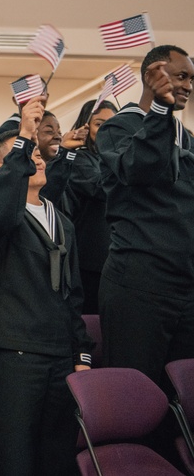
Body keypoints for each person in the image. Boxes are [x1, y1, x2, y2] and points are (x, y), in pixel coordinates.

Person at [0, 98, 92, 476]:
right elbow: (0, 211)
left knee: (55, 456)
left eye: (38, 154)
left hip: (59, 354)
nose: (36, 158)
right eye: (24, 155)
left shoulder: (62, 219)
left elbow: (73, 295)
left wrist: (80, 353)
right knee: (13, 458)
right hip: (16, 354)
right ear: (1, 169)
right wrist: (25, 134)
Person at [96, 45, 194, 388]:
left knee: (181, 394)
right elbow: (142, 167)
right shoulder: (117, 128)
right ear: (153, 76)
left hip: (185, 283)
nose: (188, 86)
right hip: (139, 281)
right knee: (135, 391)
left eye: (191, 79)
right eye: (181, 76)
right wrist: (159, 109)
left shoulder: (186, 137)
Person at [64, 99, 117, 313]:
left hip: (117, 258)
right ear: (85, 127)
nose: (106, 130)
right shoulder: (78, 158)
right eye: (99, 124)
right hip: (90, 260)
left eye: (112, 124)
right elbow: (100, 187)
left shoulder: (118, 161)